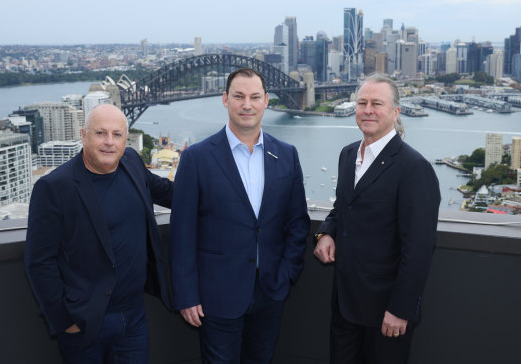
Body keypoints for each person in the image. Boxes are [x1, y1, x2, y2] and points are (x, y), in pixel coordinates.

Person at [169, 68, 310, 363]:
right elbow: (182, 233)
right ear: (225, 99)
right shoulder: (196, 158)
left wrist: (286, 276)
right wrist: (186, 294)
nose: (247, 105)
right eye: (239, 96)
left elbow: (297, 222)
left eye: (255, 97)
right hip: (215, 295)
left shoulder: (287, 154)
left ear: (266, 101)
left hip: (270, 290)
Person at [24, 103, 173, 363]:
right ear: (84, 135)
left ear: (126, 140)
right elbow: (38, 261)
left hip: (134, 315)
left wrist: (222, 187)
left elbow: (170, 193)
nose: (109, 142)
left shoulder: (132, 163)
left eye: (117, 135)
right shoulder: (54, 187)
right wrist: (66, 322)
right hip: (85, 323)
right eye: (100, 133)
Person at [313, 73, 441, 363]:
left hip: (386, 312)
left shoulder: (413, 168)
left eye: (377, 104)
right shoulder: (348, 155)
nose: (367, 110)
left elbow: (418, 249)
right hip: (345, 303)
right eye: (362, 102)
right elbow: (342, 208)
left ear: (395, 112)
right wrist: (325, 233)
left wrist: (401, 310)